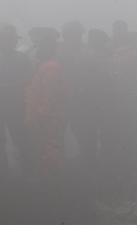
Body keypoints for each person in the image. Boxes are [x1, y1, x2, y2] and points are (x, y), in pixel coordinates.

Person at [25, 27, 67, 182]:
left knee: (47, 148)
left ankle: (51, 181)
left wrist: (42, 114)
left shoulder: (50, 67)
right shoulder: (44, 66)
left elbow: (50, 94)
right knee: (42, 148)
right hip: (40, 116)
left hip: (46, 117)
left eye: (41, 46)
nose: (38, 50)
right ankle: (45, 177)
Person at [71, 29, 114, 169]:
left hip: (84, 97)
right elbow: (102, 74)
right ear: (95, 40)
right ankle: (99, 161)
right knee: (101, 126)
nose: (102, 45)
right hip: (96, 96)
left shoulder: (81, 53)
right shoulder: (93, 54)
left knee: (88, 129)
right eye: (101, 41)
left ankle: (88, 159)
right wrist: (116, 75)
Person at [0, 23, 34, 181]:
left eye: (12, 39)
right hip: (7, 105)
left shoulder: (23, 58)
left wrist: (15, 86)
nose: (12, 42)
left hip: (17, 106)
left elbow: (31, 78)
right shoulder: (22, 57)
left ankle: (28, 175)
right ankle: (5, 177)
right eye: (8, 38)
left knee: (22, 141)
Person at [56, 20, 85, 160]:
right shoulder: (85, 50)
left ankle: (86, 165)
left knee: (82, 135)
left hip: (74, 100)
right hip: (66, 100)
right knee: (59, 136)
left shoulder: (56, 49)